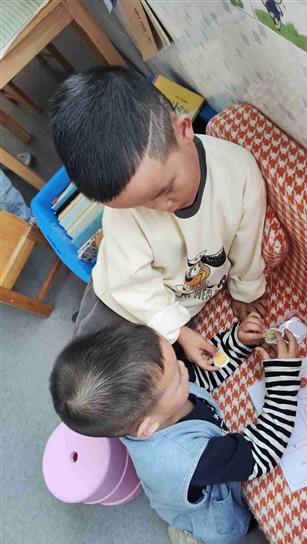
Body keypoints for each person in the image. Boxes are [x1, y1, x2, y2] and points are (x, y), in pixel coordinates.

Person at [50, 66, 268, 371]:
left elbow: (248, 243)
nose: (162, 207)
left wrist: (246, 290)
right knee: (95, 372)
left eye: (165, 189)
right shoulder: (122, 215)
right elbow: (128, 284)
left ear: (184, 131)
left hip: (179, 297)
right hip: (124, 290)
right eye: (141, 204)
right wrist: (178, 331)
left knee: (161, 375)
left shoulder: (237, 172)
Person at [50, 312, 302, 544]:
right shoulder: (188, 458)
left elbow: (200, 375)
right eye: (178, 376)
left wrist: (236, 342)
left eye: (175, 361)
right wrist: (284, 377)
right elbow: (263, 452)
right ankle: (193, 537)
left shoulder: (154, 400)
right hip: (217, 518)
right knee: (239, 523)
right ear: (148, 426)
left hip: (172, 481)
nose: (183, 366)